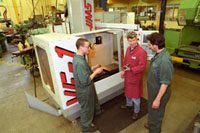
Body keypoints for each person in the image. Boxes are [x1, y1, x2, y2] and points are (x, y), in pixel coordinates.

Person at [72, 38, 103, 133]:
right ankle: (86, 128)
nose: (89, 48)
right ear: (81, 47)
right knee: (86, 110)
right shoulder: (80, 62)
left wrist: (93, 68)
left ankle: (91, 118)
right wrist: (97, 72)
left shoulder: (79, 57)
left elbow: (84, 72)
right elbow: (85, 80)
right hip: (85, 91)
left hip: (87, 89)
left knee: (90, 107)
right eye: (87, 46)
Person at [146, 32, 173, 133]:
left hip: (159, 94)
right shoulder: (158, 54)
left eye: (149, 44)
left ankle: (154, 128)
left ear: (155, 45)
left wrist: (157, 100)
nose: (148, 46)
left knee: (156, 117)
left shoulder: (164, 60)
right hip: (154, 92)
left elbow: (165, 83)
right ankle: (151, 123)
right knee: (153, 113)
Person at [121, 31, 147, 120]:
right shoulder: (128, 49)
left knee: (135, 97)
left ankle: (136, 111)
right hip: (128, 76)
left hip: (135, 78)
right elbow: (125, 61)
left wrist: (131, 69)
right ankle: (128, 105)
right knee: (127, 93)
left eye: (133, 41)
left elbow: (142, 66)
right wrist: (124, 71)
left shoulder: (141, 52)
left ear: (137, 40)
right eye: (129, 41)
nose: (131, 43)